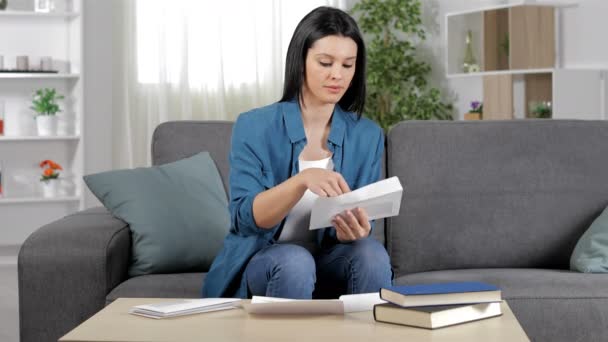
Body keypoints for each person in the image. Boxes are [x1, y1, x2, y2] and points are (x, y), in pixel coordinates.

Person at [202, 6, 392, 299]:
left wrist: (352, 232)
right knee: (294, 261)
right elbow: (243, 218)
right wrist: (301, 181)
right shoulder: (254, 125)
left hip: (330, 263)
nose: (337, 75)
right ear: (301, 61)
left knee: (371, 253)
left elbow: (365, 220)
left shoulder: (366, 135)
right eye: (325, 62)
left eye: (347, 65)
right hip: (268, 262)